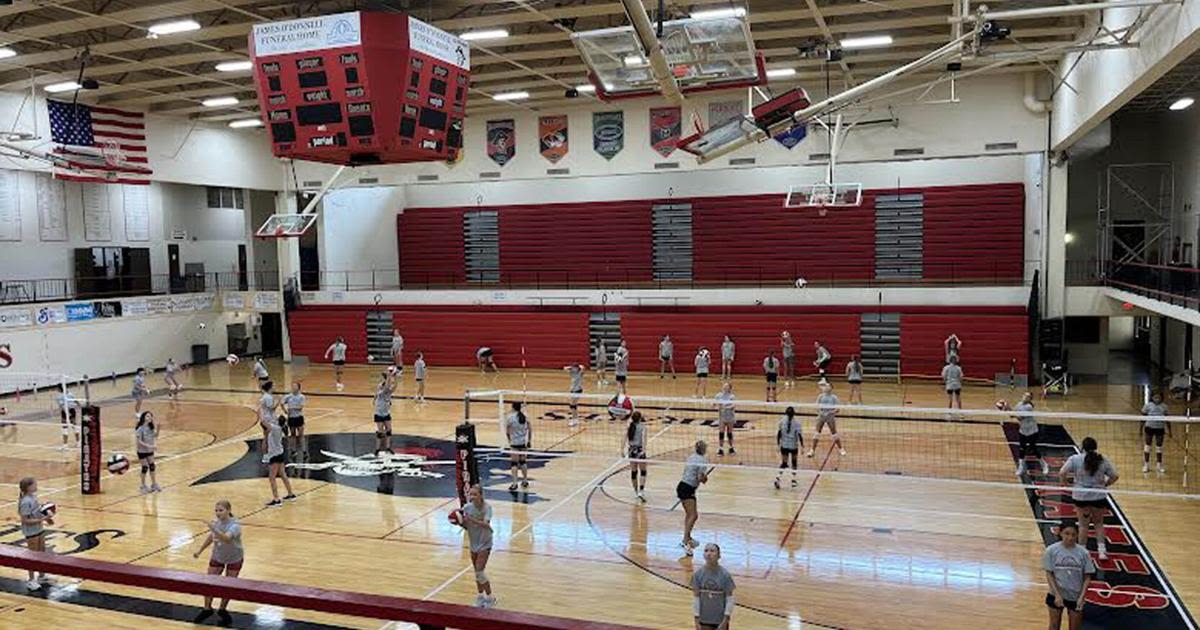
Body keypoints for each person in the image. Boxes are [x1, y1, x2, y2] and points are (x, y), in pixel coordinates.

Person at [1060, 437, 1119, 559]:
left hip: (1081, 496)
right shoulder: (1102, 460)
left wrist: (1065, 483)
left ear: (1082, 447)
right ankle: (1102, 552)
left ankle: (1082, 552)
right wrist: (1104, 485)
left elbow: (1062, 472)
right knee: (1098, 523)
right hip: (1098, 496)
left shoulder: (1075, 459)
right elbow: (1115, 476)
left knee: (1083, 525)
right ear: (1095, 447)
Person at [193, 499, 243, 625]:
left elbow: (226, 538)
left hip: (234, 558)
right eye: (216, 510)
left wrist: (213, 528)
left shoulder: (235, 525)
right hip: (218, 556)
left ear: (229, 511)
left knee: (228, 586)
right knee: (209, 582)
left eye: (221, 510)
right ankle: (207, 608)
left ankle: (222, 609)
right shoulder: (216, 522)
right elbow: (211, 537)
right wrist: (200, 550)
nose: (218, 513)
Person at [1043, 521, 1094, 630]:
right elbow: (1049, 573)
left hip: (1075, 596)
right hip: (1056, 594)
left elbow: (1087, 577)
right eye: (1067, 533)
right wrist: (1057, 594)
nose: (1070, 537)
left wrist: (1081, 597)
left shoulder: (1084, 553)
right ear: (1060, 533)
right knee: (1054, 626)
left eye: (1073, 534)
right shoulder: (1051, 551)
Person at [259, 381, 296, 508]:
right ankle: (291, 493)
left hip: (274, 455)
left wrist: (260, 410)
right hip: (280, 452)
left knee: (272, 477)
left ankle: (276, 499)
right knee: (283, 474)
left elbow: (263, 421)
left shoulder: (273, 428)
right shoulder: (279, 429)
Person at [461, 484, 496, 608]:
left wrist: (471, 519)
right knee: (477, 572)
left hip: (485, 542)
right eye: (471, 494)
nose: (472, 496)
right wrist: (460, 522)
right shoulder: (466, 508)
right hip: (473, 542)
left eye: (475, 494)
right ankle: (480, 596)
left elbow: (486, 525)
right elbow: (466, 526)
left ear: (481, 495)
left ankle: (491, 597)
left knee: (480, 571)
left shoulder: (487, 508)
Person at [17, 477, 54, 591]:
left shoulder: (33, 497)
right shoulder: (25, 502)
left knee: (41, 553)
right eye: (34, 484)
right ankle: (31, 580)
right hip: (31, 532)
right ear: (28, 487)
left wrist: (47, 519)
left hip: (39, 529)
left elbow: (38, 512)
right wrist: (43, 519)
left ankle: (41, 576)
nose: (36, 486)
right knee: (32, 556)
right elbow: (25, 520)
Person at [691, 543, 736, 630]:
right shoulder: (698, 575)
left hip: (720, 620)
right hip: (704, 619)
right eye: (706, 550)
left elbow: (729, 598)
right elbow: (696, 598)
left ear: (719, 555)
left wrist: (726, 620)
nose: (709, 553)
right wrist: (696, 619)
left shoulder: (725, 575)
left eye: (712, 551)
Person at [677, 440, 709, 557]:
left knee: (689, 515)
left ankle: (688, 538)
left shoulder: (691, 457)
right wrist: (705, 479)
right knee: (693, 515)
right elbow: (700, 478)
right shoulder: (703, 461)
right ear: (704, 449)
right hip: (687, 489)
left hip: (682, 486)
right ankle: (685, 541)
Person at [1010, 392, 1049, 476]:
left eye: (1028, 396)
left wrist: (1008, 410)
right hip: (1023, 431)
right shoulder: (1019, 404)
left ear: (1030, 399)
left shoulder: (1029, 407)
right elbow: (1012, 415)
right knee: (1021, 449)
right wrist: (1006, 408)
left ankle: (1044, 465)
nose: (1025, 397)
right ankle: (1021, 468)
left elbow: (1020, 418)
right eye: (1024, 395)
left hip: (1032, 431)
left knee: (1033, 449)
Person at [807, 383, 846, 457]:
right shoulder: (820, 396)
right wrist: (821, 412)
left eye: (828, 386)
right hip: (821, 416)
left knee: (834, 433)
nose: (826, 387)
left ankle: (841, 449)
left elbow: (838, 409)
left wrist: (831, 412)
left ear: (831, 388)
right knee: (817, 433)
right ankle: (812, 450)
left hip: (830, 417)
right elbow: (816, 407)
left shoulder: (834, 397)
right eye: (825, 386)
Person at [775, 406, 804, 489]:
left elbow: (779, 434)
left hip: (784, 445)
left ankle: (778, 478)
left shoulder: (782, 421)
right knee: (794, 462)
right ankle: (793, 480)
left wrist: (778, 444)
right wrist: (802, 446)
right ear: (794, 414)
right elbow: (799, 435)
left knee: (784, 463)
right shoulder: (797, 422)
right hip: (793, 446)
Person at [506, 401, 532, 491]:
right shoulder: (525, 417)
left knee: (514, 464)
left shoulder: (510, 418)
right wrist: (529, 440)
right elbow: (530, 429)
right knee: (523, 462)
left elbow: (507, 431)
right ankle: (525, 481)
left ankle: (514, 484)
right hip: (523, 442)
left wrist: (509, 440)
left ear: (513, 407)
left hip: (514, 443)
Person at [1142, 392, 1169, 473]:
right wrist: (1140, 429)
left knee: (1159, 447)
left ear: (1162, 398)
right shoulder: (1148, 405)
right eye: (1155, 397)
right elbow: (1142, 418)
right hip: (1149, 427)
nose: (1157, 399)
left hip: (1160, 428)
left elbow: (1168, 419)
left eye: (1159, 397)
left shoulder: (1164, 406)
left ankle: (1159, 465)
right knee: (1147, 446)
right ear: (1152, 397)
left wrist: (1170, 431)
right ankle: (1146, 465)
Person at [135, 411, 161, 493]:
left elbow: (155, 436)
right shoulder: (140, 429)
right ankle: (143, 486)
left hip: (150, 451)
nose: (150, 418)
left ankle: (154, 484)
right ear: (143, 418)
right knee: (145, 467)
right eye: (148, 416)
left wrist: (159, 429)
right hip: (142, 451)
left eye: (150, 416)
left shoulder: (151, 427)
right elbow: (139, 441)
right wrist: (150, 446)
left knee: (152, 466)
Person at [625, 411, 648, 501]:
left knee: (634, 472)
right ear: (640, 418)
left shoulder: (629, 426)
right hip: (639, 450)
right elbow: (644, 439)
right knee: (643, 471)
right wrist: (644, 450)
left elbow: (623, 438)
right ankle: (641, 491)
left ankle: (636, 491)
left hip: (631, 450)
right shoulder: (643, 427)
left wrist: (621, 450)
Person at [373, 369, 398, 454]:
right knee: (380, 432)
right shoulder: (381, 387)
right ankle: (377, 449)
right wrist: (389, 376)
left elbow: (394, 387)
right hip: (379, 413)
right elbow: (385, 388)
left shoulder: (388, 389)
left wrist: (396, 377)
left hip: (386, 412)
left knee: (389, 430)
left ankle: (388, 448)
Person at [282, 382, 306, 454]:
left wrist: (291, 408)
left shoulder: (301, 397)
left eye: (295, 386)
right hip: (291, 418)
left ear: (298, 388)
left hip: (299, 417)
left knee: (301, 434)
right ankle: (293, 450)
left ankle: (304, 450)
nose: (293, 388)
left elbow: (300, 407)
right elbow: (282, 402)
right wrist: (285, 411)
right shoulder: (288, 396)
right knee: (292, 434)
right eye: (292, 386)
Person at [714, 382, 736, 457]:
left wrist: (725, 407)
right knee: (721, 433)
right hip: (722, 417)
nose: (725, 387)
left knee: (729, 433)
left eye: (727, 386)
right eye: (724, 386)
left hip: (730, 417)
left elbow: (733, 405)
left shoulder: (732, 396)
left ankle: (731, 448)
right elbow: (714, 405)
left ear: (729, 388)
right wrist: (717, 406)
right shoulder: (718, 396)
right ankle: (720, 448)